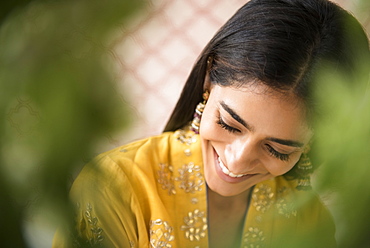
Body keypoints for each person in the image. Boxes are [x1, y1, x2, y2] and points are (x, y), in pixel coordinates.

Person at [53, 0, 369, 247]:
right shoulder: (113, 190)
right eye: (230, 124)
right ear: (208, 79)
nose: (237, 159)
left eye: (276, 149)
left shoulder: (307, 217)